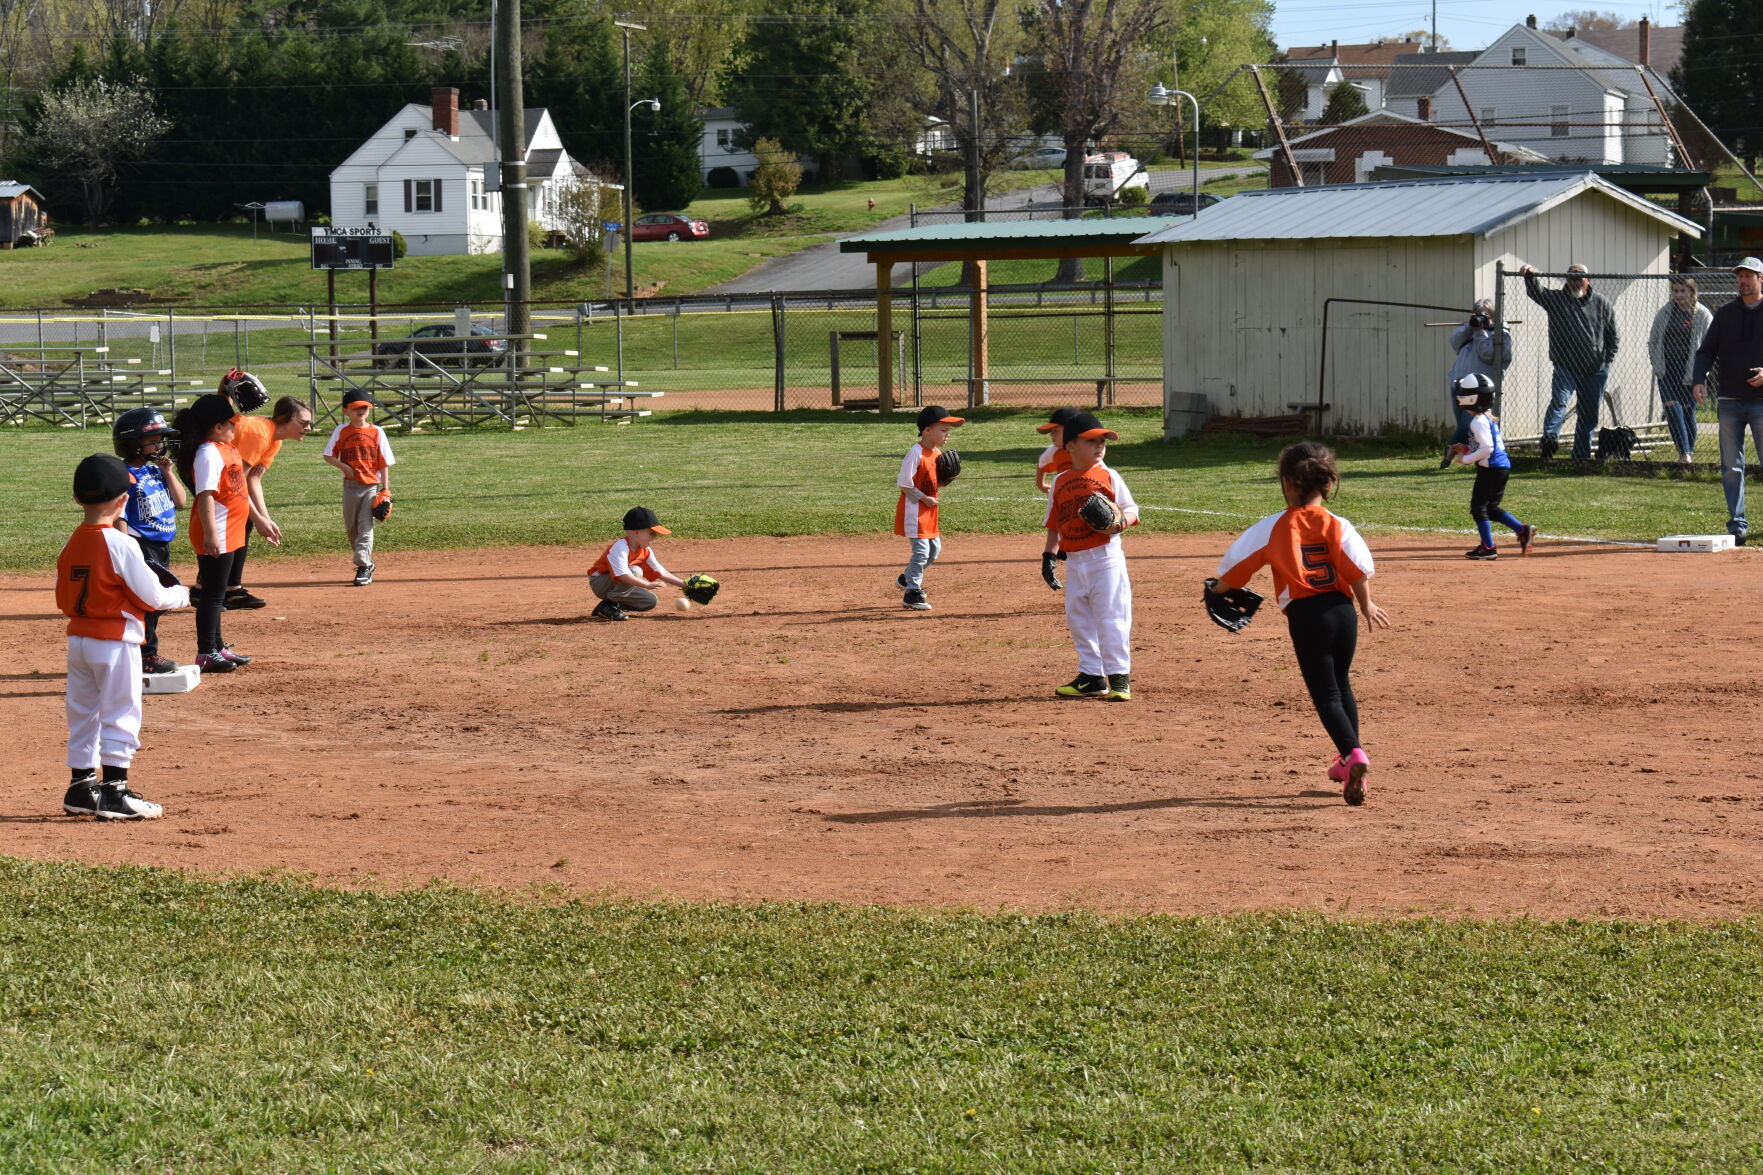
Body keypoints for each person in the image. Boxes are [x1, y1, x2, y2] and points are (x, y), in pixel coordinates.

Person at [1213, 442, 1390, 806]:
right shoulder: (1339, 524)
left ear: (1286, 483)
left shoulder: (1275, 526)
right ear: (1326, 483)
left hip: (1308, 617)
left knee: (1325, 695)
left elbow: (1235, 569)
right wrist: (1367, 604)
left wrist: (1216, 592)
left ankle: (1354, 754)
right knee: (1342, 685)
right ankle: (1346, 763)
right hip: (1344, 613)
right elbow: (1357, 567)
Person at [57, 453, 191, 821]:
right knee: (121, 713)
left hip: (79, 640)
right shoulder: (121, 544)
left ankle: (81, 786)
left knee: (83, 714)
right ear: (123, 501)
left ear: (77, 499)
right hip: (115, 642)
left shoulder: (72, 541)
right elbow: (153, 596)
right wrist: (182, 595)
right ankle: (115, 791)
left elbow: (61, 597)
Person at [1042, 411, 1140, 701]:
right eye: (1091, 441)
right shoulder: (1060, 481)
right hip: (1075, 563)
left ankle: (1119, 677)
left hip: (1105, 559)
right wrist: (1049, 556)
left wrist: (1120, 523)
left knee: (1112, 617)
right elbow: (1053, 522)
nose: (1100, 447)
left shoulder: (1109, 475)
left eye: (1103, 441)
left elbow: (1132, 509)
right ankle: (1091, 676)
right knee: (1079, 619)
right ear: (1070, 445)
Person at [171, 393, 260, 674]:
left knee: (218, 593)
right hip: (217, 531)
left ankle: (218, 647)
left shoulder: (228, 448)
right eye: (231, 423)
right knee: (212, 596)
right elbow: (206, 495)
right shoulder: (208, 452)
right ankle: (205, 652)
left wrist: (260, 520)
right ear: (217, 427)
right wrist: (211, 535)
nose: (236, 428)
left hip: (230, 530)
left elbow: (240, 492)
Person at [1691, 257, 1763, 544]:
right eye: (1740, 276)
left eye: (1749, 276)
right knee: (1731, 467)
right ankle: (1737, 525)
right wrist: (1699, 380)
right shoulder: (1726, 313)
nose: (1743, 281)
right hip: (1730, 400)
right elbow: (1706, 351)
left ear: (1761, 279)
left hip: (1761, 401)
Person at [112, 408, 187, 674]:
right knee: (147, 601)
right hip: (140, 545)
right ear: (133, 443)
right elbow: (118, 515)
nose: (159, 444)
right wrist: (127, 550)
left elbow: (180, 502)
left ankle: (139, 651)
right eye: (153, 440)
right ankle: (145, 654)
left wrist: (168, 472)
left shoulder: (155, 470)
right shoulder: (124, 474)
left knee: (155, 601)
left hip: (160, 546)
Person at [1521, 263, 1619, 461]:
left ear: (1588, 280)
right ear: (1566, 280)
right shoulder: (1556, 299)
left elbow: (1613, 337)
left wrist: (1606, 363)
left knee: (1589, 415)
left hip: (1595, 370)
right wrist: (1529, 275)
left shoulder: (1602, 303)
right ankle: (1549, 441)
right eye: (1571, 278)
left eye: (1580, 278)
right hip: (1565, 365)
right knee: (1559, 402)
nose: (1575, 282)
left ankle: (1581, 457)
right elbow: (1537, 292)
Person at [225, 396, 315, 609]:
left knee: (244, 520)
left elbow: (253, 479)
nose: (308, 428)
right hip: (203, 467)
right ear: (284, 419)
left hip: (226, 478)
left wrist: (265, 519)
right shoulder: (260, 433)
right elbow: (236, 483)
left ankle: (230, 590)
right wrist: (257, 520)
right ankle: (213, 589)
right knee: (236, 521)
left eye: (309, 423)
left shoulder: (275, 439)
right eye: (302, 423)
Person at [1450, 374, 1537, 560]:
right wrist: (1465, 449)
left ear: (1471, 399)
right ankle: (1523, 530)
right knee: (1490, 508)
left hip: (1492, 469)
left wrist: (1466, 460)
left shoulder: (1478, 421)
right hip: (1500, 468)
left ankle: (1488, 547)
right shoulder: (1484, 418)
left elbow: (1488, 448)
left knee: (1478, 508)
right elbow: (1484, 446)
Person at [322, 389, 396, 586]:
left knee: (365, 526)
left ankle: (362, 566)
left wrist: (386, 490)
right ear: (346, 411)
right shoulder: (341, 431)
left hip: (371, 485)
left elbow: (384, 463)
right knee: (352, 528)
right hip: (350, 486)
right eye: (356, 408)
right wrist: (344, 467)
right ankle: (368, 563)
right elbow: (328, 455)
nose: (361, 411)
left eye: (365, 407)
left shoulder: (377, 431)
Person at [894, 405, 964, 613]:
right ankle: (912, 592)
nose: (947, 435)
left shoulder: (937, 453)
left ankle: (907, 577)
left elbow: (933, 482)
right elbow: (904, 484)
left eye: (948, 431)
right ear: (927, 431)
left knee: (934, 551)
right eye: (943, 430)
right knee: (922, 551)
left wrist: (946, 480)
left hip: (929, 511)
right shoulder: (916, 453)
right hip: (914, 510)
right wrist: (924, 498)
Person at [1440, 298, 1513, 468]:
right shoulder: (1471, 330)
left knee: (1467, 425)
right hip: (1459, 384)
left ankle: (1450, 454)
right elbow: (1454, 342)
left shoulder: (1499, 334)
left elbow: (1488, 355)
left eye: (1485, 314)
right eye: (1478, 313)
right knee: (1463, 426)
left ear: (1494, 316)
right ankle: (1476, 457)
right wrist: (1469, 326)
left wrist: (1480, 332)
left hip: (1479, 389)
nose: (1481, 318)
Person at [1649, 278, 1713, 464]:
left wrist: (1702, 372)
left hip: (1692, 371)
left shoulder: (1703, 314)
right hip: (1667, 369)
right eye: (1675, 291)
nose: (1678, 295)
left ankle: (1688, 453)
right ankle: (1684, 453)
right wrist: (1656, 361)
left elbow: (1710, 346)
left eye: (1682, 291)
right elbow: (1653, 340)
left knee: (1687, 411)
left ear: (1692, 293)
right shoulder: (1665, 312)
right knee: (1672, 408)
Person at [587, 506, 691, 621]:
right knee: (635, 571)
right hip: (600, 583)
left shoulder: (645, 550)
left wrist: (686, 585)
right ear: (636, 532)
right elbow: (623, 575)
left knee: (649, 601)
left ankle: (606, 607)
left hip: (616, 585)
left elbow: (661, 572)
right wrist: (647, 585)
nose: (655, 537)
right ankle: (610, 604)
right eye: (652, 533)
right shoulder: (620, 547)